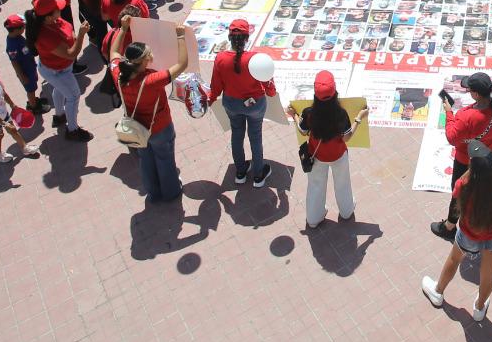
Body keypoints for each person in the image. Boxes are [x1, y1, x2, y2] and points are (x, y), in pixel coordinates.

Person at [420, 143, 492, 321]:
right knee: (487, 274)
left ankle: (437, 291)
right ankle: (479, 309)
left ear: (473, 169)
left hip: (468, 235)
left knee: (454, 259)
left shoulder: (463, 186)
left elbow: (458, 187)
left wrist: (471, 170)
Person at [112, 15, 191, 203]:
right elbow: (182, 65)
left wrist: (123, 29)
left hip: (137, 128)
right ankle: (171, 192)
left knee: (146, 160)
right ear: (145, 61)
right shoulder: (151, 81)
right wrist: (180, 37)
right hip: (160, 127)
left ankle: (153, 192)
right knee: (165, 160)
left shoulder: (119, 75)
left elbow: (113, 54)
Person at [432, 72, 492, 240]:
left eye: (469, 89)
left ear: (475, 94)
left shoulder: (466, 117)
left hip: (467, 160)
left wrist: (449, 113)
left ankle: (450, 226)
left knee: (459, 191)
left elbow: (452, 138)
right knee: (485, 184)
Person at [290, 69, 368, 229]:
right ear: (335, 92)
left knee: (315, 186)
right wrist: (359, 118)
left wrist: (294, 115)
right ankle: (346, 211)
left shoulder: (308, 112)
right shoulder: (341, 114)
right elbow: (347, 137)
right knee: (343, 183)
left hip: (317, 156)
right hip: (338, 155)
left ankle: (313, 218)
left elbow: (303, 131)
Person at [206, 18, 277, 185]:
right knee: (255, 137)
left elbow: (215, 86)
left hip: (231, 103)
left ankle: (240, 172)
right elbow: (269, 85)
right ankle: (258, 175)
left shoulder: (221, 58)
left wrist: (210, 99)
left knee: (236, 135)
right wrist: (271, 93)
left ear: (230, 38)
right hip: (255, 105)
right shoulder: (256, 58)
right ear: (247, 38)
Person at [26, 0, 91, 141]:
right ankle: (72, 130)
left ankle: (59, 116)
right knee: (73, 96)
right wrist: (80, 35)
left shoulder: (54, 22)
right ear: (48, 17)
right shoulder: (45, 36)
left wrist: (74, 36)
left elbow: (68, 32)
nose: (60, 9)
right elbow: (71, 54)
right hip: (56, 71)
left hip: (60, 69)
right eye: (57, 9)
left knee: (60, 90)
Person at [3, 15, 49, 117]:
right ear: (16, 29)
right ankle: (33, 106)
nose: (24, 28)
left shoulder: (17, 36)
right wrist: (22, 76)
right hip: (25, 71)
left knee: (33, 86)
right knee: (30, 89)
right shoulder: (12, 45)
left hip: (30, 66)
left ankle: (33, 101)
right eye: (23, 27)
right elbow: (14, 62)